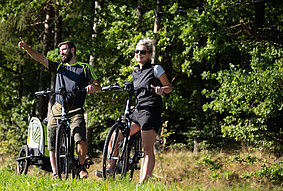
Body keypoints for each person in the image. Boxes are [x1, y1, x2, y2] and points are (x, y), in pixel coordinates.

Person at [18, 38, 101, 178]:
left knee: (80, 138)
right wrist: (27, 48)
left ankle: (81, 167)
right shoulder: (59, 67)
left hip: (75, 110)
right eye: (60, 51)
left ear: (72, 50)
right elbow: (41, 58)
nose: (61, 53)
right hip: (58, 107)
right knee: (52, 139)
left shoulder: (85, 68)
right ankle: (56, 173)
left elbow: (98, 86)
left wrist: (92, 88)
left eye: (64, 50)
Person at [98, 38, 172, 184]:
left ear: (149, 54)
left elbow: (169, 87)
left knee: (147, 148)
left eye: (143, 52)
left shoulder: (156, 69)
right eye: (137, 51)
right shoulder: (135, 72)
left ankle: (142, 183)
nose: (139, 54)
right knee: (116, 135)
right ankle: (110, 169)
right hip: (138, 110)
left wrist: (160, 90)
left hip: (150, 110)